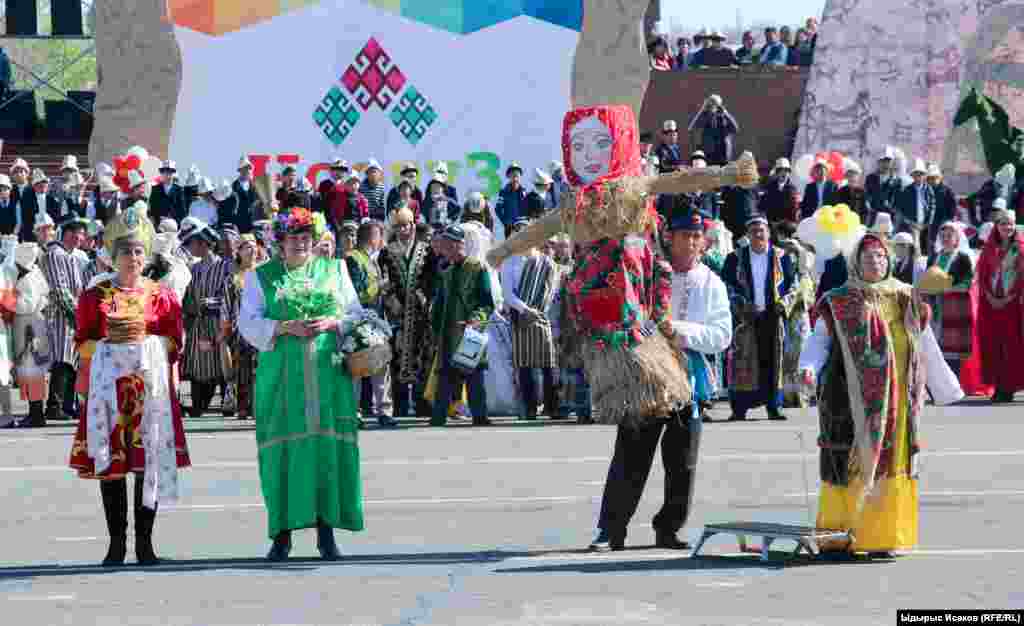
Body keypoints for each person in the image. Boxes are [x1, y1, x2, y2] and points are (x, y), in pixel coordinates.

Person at [800, 231, 963, 559]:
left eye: (880, 256)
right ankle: (841, 535)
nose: (875, 262)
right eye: (867, 257)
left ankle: (883, 535)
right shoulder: (840, 300)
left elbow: (925, 344)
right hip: (849, 399)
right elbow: (819, 340)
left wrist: (945, 387)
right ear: (855, 263)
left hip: (898, 401)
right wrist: (808, 368)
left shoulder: (905, 296)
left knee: (891, 463)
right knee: (848, 462)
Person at [238, 205, 365, 561]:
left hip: (328, 374)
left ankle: (327, 533)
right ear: (280, 242)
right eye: (293, 237)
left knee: (324, 449)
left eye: (306, 237)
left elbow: (355, 313)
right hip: (282, 375)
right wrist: (281, 327)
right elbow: (248, 322)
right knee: (282, 451)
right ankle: (282, 535)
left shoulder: (335, 269)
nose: (300, 243)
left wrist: (334, 323)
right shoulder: (261, 277)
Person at [68, 202, 191, 567]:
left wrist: (147, 342)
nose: (133, 258)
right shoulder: (95, 296)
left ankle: (146, 543)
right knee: (112, 466)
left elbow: (175, 342)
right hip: (111, 392)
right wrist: (112, 344)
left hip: (148, 391)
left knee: (147, 463)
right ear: (113, 256)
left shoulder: (162, 295)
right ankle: (116, 543)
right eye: (126, 252)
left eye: (138, 252)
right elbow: (82, 341)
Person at [722, 215, 797, 421]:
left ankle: (774, 407)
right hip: (745, 318)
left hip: (773, 317)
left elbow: (794, 284)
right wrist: (741, 304)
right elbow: (726, 285)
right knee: (742, 362)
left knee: (773, 363)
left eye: (761, 230)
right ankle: (739, 409)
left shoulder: (782, 257)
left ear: (769, 233)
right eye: (753, 231)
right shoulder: (735, 258)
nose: (758, 234)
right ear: (747, 234)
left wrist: (784, 304)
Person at [430, 224, 495, 426]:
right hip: (448, 335)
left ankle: (480, 416)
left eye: (449, 244)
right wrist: (435, 328)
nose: (446, 249)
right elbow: (439, 306)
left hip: (470, 332)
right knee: (445, 377)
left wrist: (475, 321)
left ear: (460, 244)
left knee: (474, 375)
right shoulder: (446, 273)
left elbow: (487, 303)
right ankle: (438, 417)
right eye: (444, 244)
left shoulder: (478, 268)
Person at [378, 208, 440, 417]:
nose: (402, 230)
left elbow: (434, 279)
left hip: (421, 313)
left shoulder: (427, 250)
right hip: (397, 314)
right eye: (398, 226)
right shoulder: (386, 253)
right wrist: (392, 303)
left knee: (423, 357)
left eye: (406, 225)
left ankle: (423, 405)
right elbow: (384, 280)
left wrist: (425, 298)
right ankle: (400, 406)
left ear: (413, 225)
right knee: (397, 359)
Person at [505, 218, 562, 420]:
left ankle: (552, 407)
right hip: (520, 316)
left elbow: (550, 290)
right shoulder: (509, 262)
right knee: (525, 365)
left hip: (541, 316)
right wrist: (525, 310)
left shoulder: (545, 262)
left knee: (548, 363)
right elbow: (508, 294)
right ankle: (529, 408)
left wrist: (538, 311)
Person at [344, 220, 395, 427]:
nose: (382, 240)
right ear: (373, 237)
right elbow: (356, 293)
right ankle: (353, 413)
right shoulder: (352, 258)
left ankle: (384, 411)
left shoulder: (370, 259)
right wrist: (380, 285)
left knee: (381, 365)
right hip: (359, 321)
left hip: (375, 321)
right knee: (356, 367)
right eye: (380, 235)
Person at [38, 214, 86, 422]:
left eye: (82, 235)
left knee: (72, 359)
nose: (80, 238)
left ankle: (67, 405)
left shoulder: (70, 255)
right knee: (62, 357)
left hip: (72, 313)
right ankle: (54, 406)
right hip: (60, 315)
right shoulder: (55, 253)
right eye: (77, 234)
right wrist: (75, 313)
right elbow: (59, 288)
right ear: (66, 233)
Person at [181, 222, 230, 416]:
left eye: (192, 243)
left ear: (204, 244)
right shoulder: (193, 268)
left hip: (219, 323)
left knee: (222, 363)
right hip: (199, 325)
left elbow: (232, 294)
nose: (190, 248)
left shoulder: (225, 266)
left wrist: (213, 302)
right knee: (199, 365)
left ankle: (228, 402)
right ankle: (198, 405)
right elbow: (188, 297)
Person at [975, 208, 1024, 403]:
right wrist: (990, 296)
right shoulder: (989, 248)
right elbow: (982, 274)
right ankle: (999, 385)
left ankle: (1009, 386)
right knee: (994, 346)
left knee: (1012, 346)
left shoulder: (1020, 248)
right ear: (996, 226)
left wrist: (1009, 297)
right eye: (1003, 223)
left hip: (1014, 305)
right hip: (991, 305)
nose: (1007, 227)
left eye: (1010, 223)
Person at [923, 221, 975, 378]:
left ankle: (953, 382)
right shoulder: (934, 257)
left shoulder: (962, 258)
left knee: (952, 351)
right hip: (935, 306)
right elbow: (927, 279)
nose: (945, 239)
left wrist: (948, 289)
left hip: (954, 308)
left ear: (957, 238)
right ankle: (936, 384)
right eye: (943, 236)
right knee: (935, 347)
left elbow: (967, 283)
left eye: (949, 236)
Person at [10, 242, 50, 428]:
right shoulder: (36, 272)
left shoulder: (27, 278)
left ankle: (36, 415)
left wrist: (8, 299)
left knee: (31, 371)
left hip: (29, 325)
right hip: (35, 323)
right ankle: (35, 413)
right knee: (33, 372)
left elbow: (27, 305)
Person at [220, 234, 259, 420]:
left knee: (261, 369)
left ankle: (259, 406)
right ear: (239, 252)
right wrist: (224, 332)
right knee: (243, 370)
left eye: (254, 246)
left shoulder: (264, 274)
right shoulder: (233, 278)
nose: (252, 250)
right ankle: (243, 407)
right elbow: (226, 308)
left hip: (263, 329)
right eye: (247, 247)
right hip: (240, 332)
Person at [896, 159, 936, 253]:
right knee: (915, 244)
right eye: (916, 174)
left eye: (920, 174)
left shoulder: (928, 189)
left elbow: (932, 206)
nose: (918, 177)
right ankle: (916, 257)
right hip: (912, 223)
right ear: (912, 176)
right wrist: (908, 221)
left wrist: (929, 221)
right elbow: (902, 208)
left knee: (926, 245)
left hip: (925, 223)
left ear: (924, 175)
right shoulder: (907, 190)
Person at [687, 95, 738, 166]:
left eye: (714, 106)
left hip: (723, 155)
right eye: (710, 106)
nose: (711, 109)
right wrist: (702, 110)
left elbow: (735, 129)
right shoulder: (704, 117)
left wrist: (725, 114)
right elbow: (691, 128)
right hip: (709, 155)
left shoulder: (723, 119)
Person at [19, 169, 63, 242]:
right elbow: (25, 218)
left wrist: (51, 229)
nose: (42, 186)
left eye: (44, 183)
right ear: (34, 186)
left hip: (50, 232)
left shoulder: (53, 200)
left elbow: (57, 218)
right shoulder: (27, 201)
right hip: (32, 233)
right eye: (39, 184)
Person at [865, 147, 903, 227]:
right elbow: (867, 195)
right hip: (873, 217)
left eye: (888, 161)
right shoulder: (870, 178)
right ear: (878, 162)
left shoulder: (897, 180)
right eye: (882, 161)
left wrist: (891, 207)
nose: (885, 164)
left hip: (890, 218)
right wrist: (868, 204)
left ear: (892, 163)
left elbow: (899, 202)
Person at [761, 158, 799, 226]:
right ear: (777, 172)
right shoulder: (770, 186)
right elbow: (764, 204)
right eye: (781, 170)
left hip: (785, 225)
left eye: (786, 171)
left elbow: (794, 209)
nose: (784, 173)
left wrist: (787, 223)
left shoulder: (792, 189)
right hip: (770, 223)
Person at [927, 165, 958, 247]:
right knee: (931, 243)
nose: (932, 180)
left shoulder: (947, 191)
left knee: (942, 243)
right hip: (931, 223)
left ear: (940, 178)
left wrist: (950, 220)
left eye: (934, 178)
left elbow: (953, 207)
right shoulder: (926, 190)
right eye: (930, 178)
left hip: (943, 222)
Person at [496, 162, 528, 236]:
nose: (515, 177)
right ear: (508, 176)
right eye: (512, 175)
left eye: (517, 174)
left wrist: (527, 220)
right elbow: (498, 209)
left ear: (520, 176)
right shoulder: (504, 192)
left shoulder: (524, 192)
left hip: (523, 225)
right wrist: (506, 223)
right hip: (510, 228)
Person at [232, 156, 262, 233]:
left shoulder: (255, 185)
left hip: (254, 222)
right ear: (240, 170)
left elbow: (259, 200)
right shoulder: (234, 186)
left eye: (249, 168)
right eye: (245, 168)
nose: (248, 170)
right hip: (239, 223)